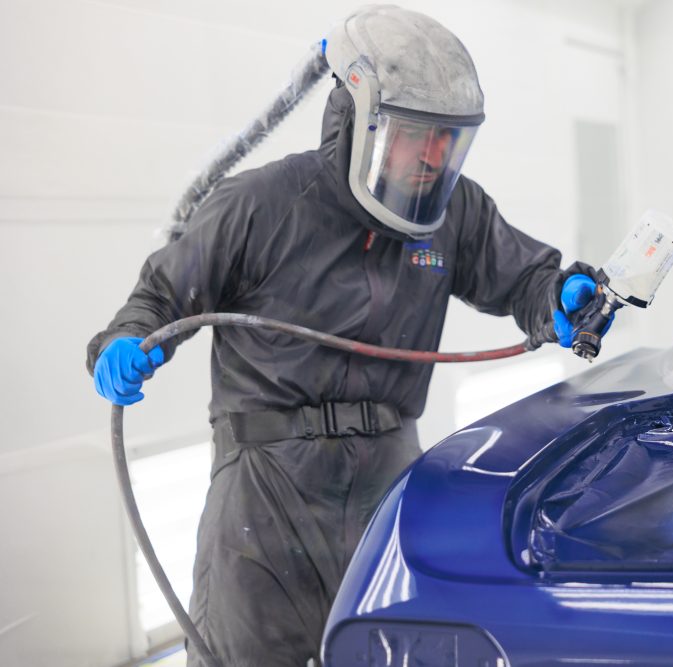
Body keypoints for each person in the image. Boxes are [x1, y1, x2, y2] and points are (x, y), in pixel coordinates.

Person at [87, 5, 609, 665]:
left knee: (392, 651)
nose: (434, 157)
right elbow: (161, 295)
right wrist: (125, 341)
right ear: (361, 120)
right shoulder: (260, 204)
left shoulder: (454, 214)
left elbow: (526, 280)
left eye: (448, 140)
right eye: (418, 135)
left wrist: (559, 297)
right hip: (265, 491)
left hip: (386, 485)